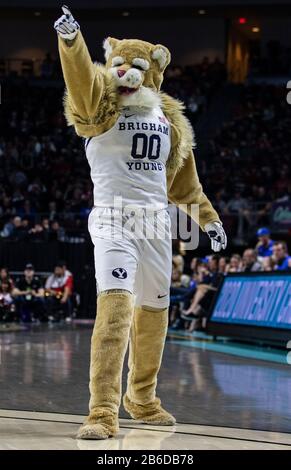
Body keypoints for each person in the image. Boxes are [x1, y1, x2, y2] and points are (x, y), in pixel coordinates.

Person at [54, 5, 227, 440]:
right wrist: (72, 43)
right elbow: (80, 81)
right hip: (113, 219)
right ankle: (101, 410)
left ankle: (142, 399)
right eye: (118, 65)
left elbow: (184, 184)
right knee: (115, 307)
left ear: (154, 72)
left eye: (137, 67)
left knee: (154, 315)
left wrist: (208, 220)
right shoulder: (100, 106)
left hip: (156, 225)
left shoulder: (168, 122)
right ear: (109, 66)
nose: (126, 72)